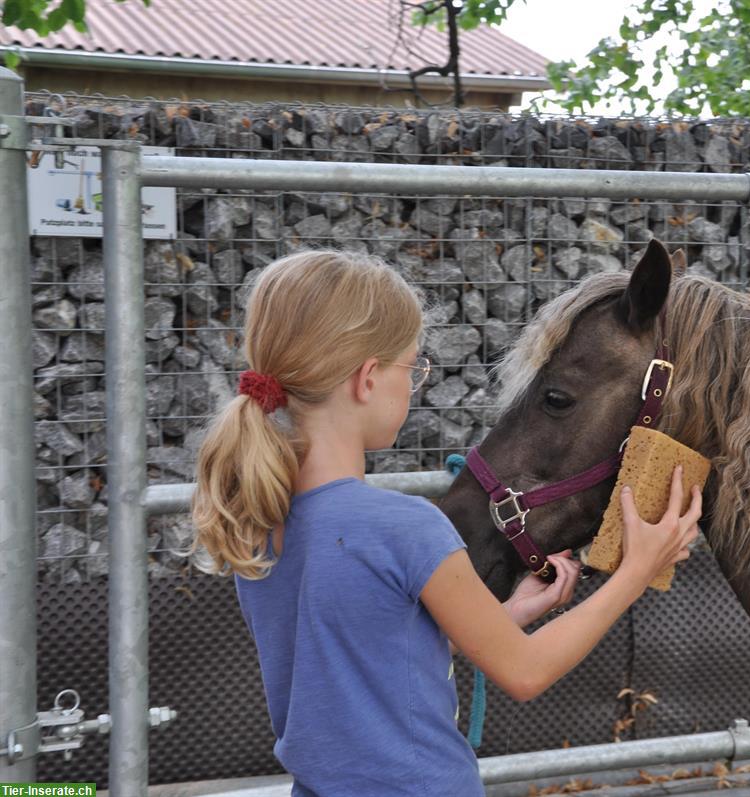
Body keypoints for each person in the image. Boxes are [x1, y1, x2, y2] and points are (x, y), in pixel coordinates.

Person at [189, 250, 702, 797]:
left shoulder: (258, 523)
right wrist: (635, 571)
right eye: (413, 367)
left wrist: (507, 614)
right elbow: (525, 672)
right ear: (367, 379)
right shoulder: (407, 527)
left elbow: (374, 652)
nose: (415, 384)